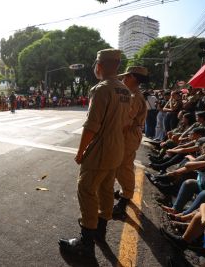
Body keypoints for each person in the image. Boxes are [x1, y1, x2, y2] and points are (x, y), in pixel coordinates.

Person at [58, 49, 131, 258]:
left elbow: (91, 126)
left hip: (100, 150)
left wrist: (81, 152)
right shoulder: (125, 90)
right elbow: (126, 125)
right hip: (117, 149)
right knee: (106, 189)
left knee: (87, 190)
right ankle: (100, 231)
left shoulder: (101, 89)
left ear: (99, 65)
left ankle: (86, 242)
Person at [112, 66, 149, 219]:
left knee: (124, 166)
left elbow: (125, 121)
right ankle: (124, 191)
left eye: (126, 77)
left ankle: (125, 198)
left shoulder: (133, 97)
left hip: (129, 134)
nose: (123, 79)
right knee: (121, 164)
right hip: (129, 134)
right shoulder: (132, 94)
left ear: (133, 78)